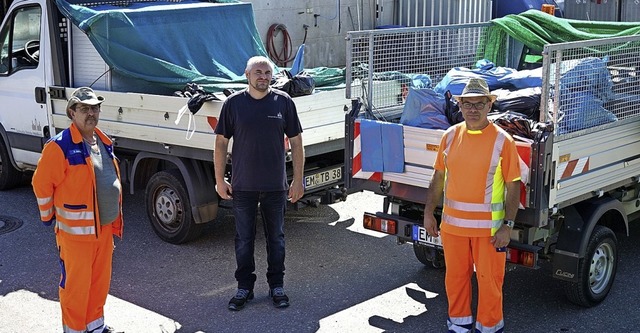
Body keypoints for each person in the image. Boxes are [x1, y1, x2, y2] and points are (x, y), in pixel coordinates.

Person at [422, 78, 521, 333]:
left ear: (489, 105)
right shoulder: (450, 136)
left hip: (488, 232)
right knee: (455, 279)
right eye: (468, 104)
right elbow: (438, 177)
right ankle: (459, 323)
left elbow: (514, 186)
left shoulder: (503, 141)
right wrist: (428, 213)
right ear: (460, 106)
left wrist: (507, 226)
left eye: (479, 104)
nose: (473, 109)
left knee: (490, 282)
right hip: (453, 228)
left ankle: (489, 326)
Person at [214, 56, 305, 311]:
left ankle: (277, 285)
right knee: (244, 240)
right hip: (243, 186)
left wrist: (297, 180)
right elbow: (221, 143)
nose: (263, 76)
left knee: (276, 239)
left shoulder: (283, 102)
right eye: (258, 72)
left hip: (276, 187)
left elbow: (296, 142)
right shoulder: (233, 104)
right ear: (247, 74)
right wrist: (219, 180)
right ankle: (245, 287)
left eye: (267, 72)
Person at [32, 87, 124, 333]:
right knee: (75, 288)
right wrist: (48, 216)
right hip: (75, 236)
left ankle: (95, 326)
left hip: (103, 230)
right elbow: (41, 184)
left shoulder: (102, 141)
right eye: (84, 109)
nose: (91, 113)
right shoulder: (59, 146)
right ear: (72, 113)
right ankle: (74, 330)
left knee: (98, 283)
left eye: (94, 108)